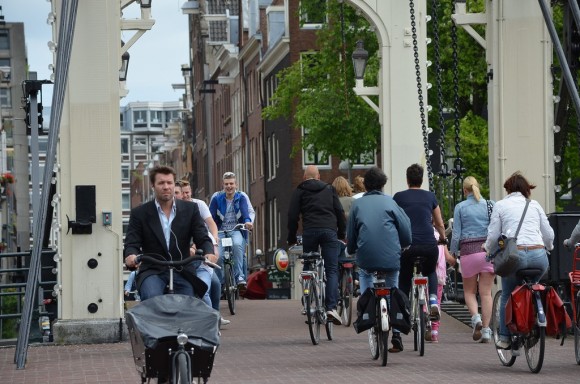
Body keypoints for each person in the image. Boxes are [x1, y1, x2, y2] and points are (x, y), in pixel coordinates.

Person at [124, 165, 217, 301]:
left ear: (174, 185)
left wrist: (209, 252)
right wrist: (131, 255)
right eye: (161, 183)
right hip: (153, 270)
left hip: (182, 269)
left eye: (169, 183)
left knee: (189, 302)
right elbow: (132, 242)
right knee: (152, 298)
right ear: (153, 185)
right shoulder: (140, 213)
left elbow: (202, 236)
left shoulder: (191, 209)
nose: (166, 186)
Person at [484, 171, 554, 350]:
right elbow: (548, 234)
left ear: (508, 189)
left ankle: (506, 337)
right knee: (533, 287)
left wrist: (487, 249)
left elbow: (493, 236)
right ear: (526, 189)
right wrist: (549, 246)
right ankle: (534, 323)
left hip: (515, 258)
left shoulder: (500, 205)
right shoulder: (535, 205)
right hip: (539, 257)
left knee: (507, 293)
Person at [346, 166, 412, 351]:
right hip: (391, 256)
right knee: (392, 286)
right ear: (383, 185)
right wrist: (404, 245)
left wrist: (352, 249)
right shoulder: (391, 203)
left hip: (366, 257)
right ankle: (397, 333)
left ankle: (367, 312)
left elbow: (351, 234)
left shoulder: (357, 205)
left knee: (366, 275)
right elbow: (405, 230)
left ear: (365, 186)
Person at [287, 165, 347, 325]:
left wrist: (291, 237)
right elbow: (339, 212)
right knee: (332, 269)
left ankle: (307, 302)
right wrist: (342, 233)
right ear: (319, 176)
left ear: (304, 177)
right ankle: (331, 308)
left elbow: (292, 216)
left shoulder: (300, 190)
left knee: (308, 265)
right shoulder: (329, 189)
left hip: (310, 232)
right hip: (329, 232)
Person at [393, 164, 447, 326]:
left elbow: (394, 221)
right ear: (422, 180)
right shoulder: (430, 197)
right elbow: (439, 223)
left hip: (407, 246)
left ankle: (403, 311)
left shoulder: (399, 197)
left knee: (404, 276)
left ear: (407, 180)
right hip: (428, 245)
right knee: (430, 270)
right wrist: (443, 238)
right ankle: (432, 302)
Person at [178, 179, 230, 326]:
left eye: (188, 192)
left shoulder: (198, 205)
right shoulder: (174, 210)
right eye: (183, 193)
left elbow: (210, 225)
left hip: (203, 249)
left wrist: (214, 240)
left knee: (214, 281)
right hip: (188, 256)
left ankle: (216, 315)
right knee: (205, 285)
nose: (186, 196)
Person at [449, 176, 495, 343]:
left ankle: (476, 318)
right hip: (487, 253)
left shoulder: (460, 207)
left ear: (464, 190)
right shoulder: (491, 205)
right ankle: (486, 331)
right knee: (486, 293)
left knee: (469, 292)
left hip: (468, 253)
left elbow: (456, 234)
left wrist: (453, 252)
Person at [209, 172, 253, 286]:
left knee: (237, 245)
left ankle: (239, 276)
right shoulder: (217, 199)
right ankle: (220, 282)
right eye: (226, 184)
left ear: (236, 185)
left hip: (236, 230)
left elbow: (245, 212)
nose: (229, 186)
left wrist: (248, 221)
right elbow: (211, 217)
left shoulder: (241, 197)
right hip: (220, 232)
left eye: (231, 184)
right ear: (223, 185)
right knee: (217, 256)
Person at [427, 228, 456, 343]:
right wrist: (454, 261)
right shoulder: (440, 235)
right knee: (436, 302)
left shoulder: (422, 233)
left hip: (425, 272)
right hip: (438, 275)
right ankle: (434, 333)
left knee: (425, 300)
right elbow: (448, 258)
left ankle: (426, 324)